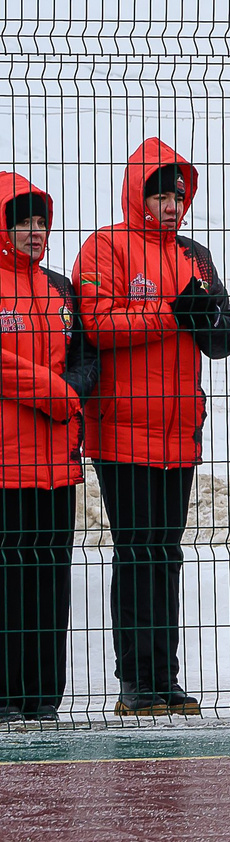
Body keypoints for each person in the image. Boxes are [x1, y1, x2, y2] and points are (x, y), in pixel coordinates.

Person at [73, 140, 230, 716]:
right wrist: (172, 312)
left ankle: (163, 679)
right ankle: (135, 682)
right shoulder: (105, 246)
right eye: (161, 193)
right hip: (122, 433)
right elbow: (98, 324)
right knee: (136, 552)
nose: (172, 204)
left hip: (179, 432)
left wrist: (210, 313)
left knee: (165, 555)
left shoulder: (195, 255)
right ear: (137, 193)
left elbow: (221, 339)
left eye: (179, 193)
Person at [0, 176, 96, 722]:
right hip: (6, 463)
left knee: (48, 581)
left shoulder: (60, 290)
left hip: (57, 462)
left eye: (41, 222)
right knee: (8, 581)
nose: (35, 232)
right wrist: (56, 392)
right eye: (23, 222)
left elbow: (87, 360)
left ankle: (42, 697)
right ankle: (5, 695)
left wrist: (70, 391)